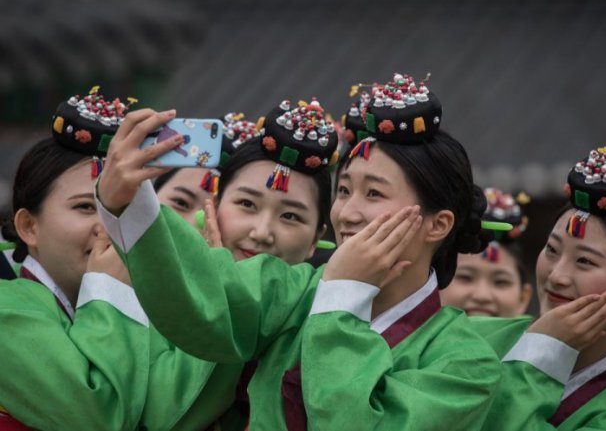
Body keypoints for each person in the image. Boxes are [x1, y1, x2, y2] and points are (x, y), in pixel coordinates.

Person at [96, 74, 502, 430]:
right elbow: (207, 293)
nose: (348, 213)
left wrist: (343, 296)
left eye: (374, 193)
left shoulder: (467, 364)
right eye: (344, 191)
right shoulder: (290, 291)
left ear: (438, 224)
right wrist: (127, 201)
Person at [0, 88, 151, 430]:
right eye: (86, 207)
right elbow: (98, 417)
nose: (108, 227)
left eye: (123, 209)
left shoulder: (145, 309)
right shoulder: (5, 310)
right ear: (28, 226)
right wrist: (108, 291)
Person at [474, 147, 606, 430]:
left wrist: (541, 352)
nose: (557, 276)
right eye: (552, 250)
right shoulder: (471, 339)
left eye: (584, 261)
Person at [441, 187, 533, 317]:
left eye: (501, 282)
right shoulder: (405, 336)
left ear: (523, 297)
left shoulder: (540, 338)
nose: (482, 296)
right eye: (465, 277)